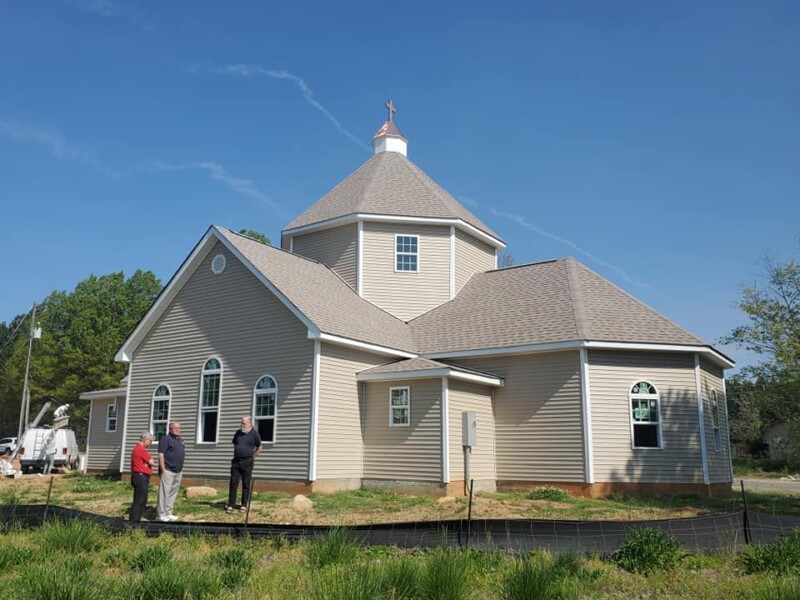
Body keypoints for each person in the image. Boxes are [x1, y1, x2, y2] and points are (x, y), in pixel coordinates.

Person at [227, 416, 261, 513]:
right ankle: (231, 504)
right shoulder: (238, 433)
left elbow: (259, 447)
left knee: (246, 483)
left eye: (244, 423)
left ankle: (244, 505)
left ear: (249, 423)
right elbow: (235, 444)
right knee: (233, 483)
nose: (242, 425)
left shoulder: (254, 434)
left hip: (247, 462)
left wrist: (252, 457)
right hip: (236, 462)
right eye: (241, 423)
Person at [157, 421, 184, 522]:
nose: (178, 429)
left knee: (173, 492)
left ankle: (168, 513)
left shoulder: (180, 440)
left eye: (179, 428)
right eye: (175, 428)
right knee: (164, 493)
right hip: (168, 470)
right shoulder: (165, 440)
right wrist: (163, 469)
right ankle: (161, 514)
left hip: (178, 471)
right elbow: (160, 455)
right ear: (170, 429)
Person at [129, 431, 154, 522]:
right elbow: (152, 462)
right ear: (146, 440)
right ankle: (134, 521)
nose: (150, 444)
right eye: (150, 441)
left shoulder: (136, 448)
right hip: (141, 477)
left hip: (137, 476)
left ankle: (136, 520)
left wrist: (146, 464)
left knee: (140, 500)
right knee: (140, 500)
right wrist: (148, 464)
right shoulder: (141, 449)